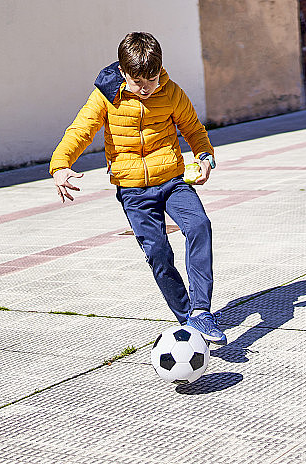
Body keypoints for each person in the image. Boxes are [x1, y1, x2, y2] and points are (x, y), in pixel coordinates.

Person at [49, 32, 226, 345]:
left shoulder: (171, 93)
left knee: (200, 225)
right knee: (158, 252)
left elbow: (194, 129)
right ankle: (186, 317)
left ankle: (201, 311)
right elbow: (81, 130)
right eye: (137, 82)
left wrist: (205, 156)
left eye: (152, 80)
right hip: (133, 190)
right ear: (122, 72)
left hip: (172, 180)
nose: (146, 89)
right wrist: (60, 164)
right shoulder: (105, 96)